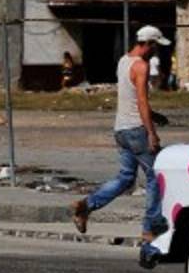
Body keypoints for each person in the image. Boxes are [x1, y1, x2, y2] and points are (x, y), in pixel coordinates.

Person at [70, 25, 170, 246]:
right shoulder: (142, 66)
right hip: (137, 130)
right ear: (149, 44)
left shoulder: (123, 61)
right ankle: (150, 229)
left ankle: (86, 206)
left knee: (125, 178)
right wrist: (151, 133)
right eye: (156, 46)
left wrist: (154, 115)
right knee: (155, 176)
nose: (157, 51)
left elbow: (129, 97)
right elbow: (141, 101)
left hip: (121, 129)